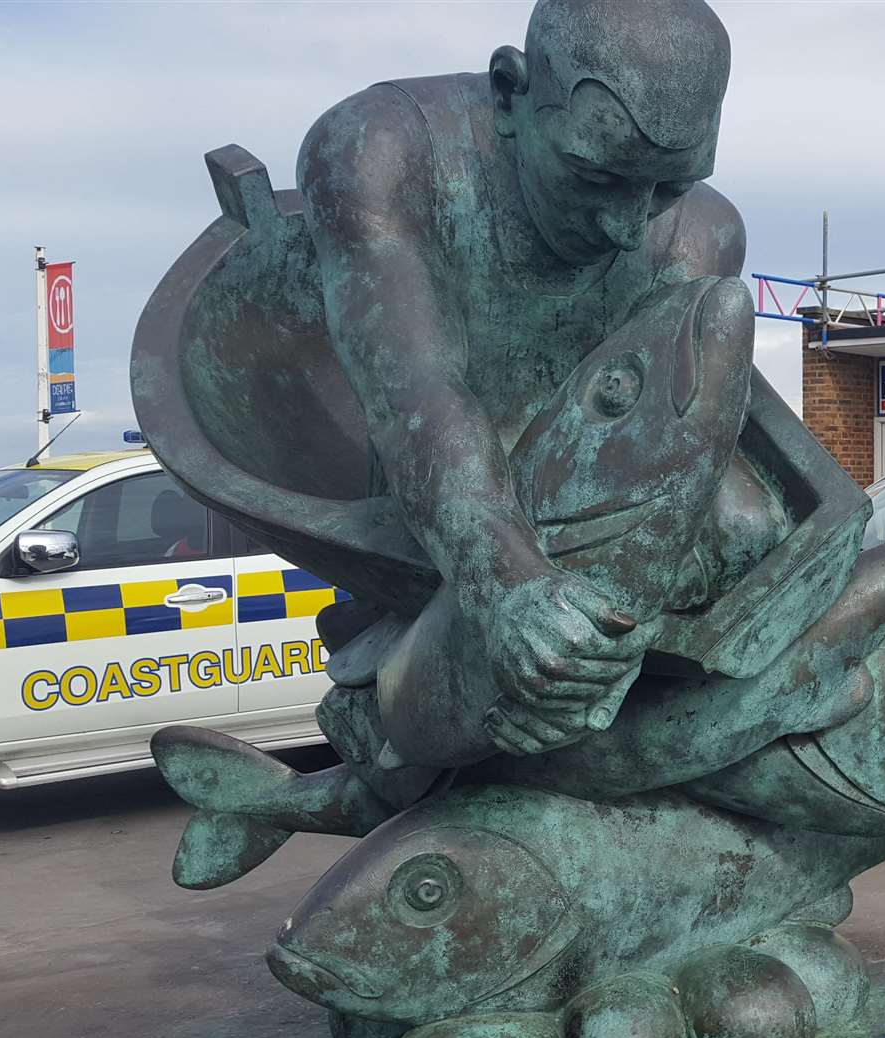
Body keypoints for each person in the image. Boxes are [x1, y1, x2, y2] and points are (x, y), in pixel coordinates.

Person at [297, 0, 747, 759]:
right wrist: (509, 586)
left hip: (595, 519)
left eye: (670, 187)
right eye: (592, 174)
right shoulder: (380, 149)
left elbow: (680, 463)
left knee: (745, 531)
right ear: (510, 93)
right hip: (434, 514)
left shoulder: (704, 235)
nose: (628, 228)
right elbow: (420, 395)